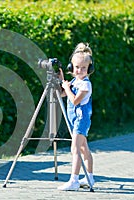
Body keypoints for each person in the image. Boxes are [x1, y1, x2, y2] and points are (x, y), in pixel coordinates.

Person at [57, 42, 95, 191]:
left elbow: (75, 100)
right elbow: (62, 95)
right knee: (84, 149)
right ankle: (90, 178)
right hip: (74, 120)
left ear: (89, 69)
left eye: (83, 68)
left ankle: (74, 180)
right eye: (77, 67)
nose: (79, 70)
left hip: (81, 120)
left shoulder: (85, 85)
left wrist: (67, 87)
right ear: (71, 67)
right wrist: (61, 82)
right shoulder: (74, 81)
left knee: (75, 149)